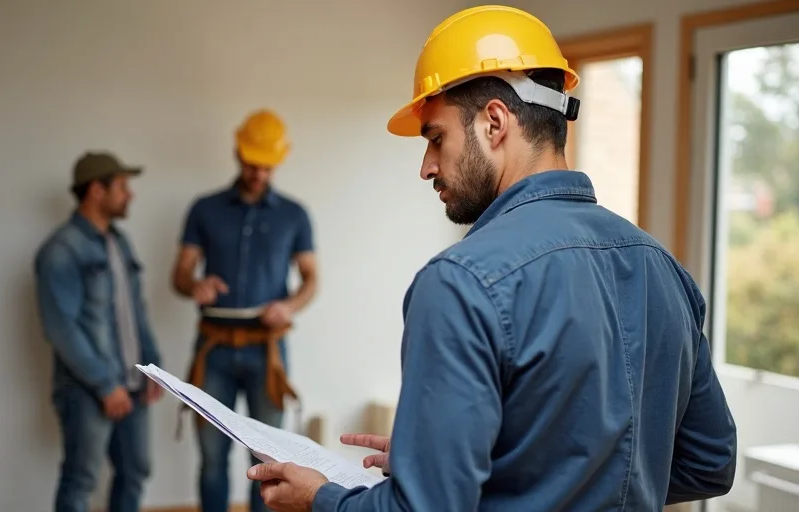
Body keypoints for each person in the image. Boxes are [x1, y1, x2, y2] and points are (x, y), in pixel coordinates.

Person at [246, 5, 737, 512]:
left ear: (494, 123)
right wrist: (449, 463)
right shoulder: (663, 268)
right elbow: (709, 461)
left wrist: (320, 498)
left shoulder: (460, 282)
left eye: (436, 138)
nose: (426, 167)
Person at [171, 109, 318, 512]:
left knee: (269, 460)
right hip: (213, 349)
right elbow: (180, 274)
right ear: (238, 154)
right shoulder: (204, 209)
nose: (259, 173)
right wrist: (194, 285)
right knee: (211, 457)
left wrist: (289, 306)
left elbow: (311, 279)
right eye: (253, 164)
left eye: (267, 166)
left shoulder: (295, 215)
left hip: (266, 351)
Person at [33, 151, 164, 512]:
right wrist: (106, 385)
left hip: (133, 385)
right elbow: (60, 328)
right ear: (96, 190)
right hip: (88, 390)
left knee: (136, 472)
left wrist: (154, 368)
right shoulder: (61, 250)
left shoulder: (120, 243)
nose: (130, 194)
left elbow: (136, 312)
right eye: (122, 186)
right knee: (81, 481)